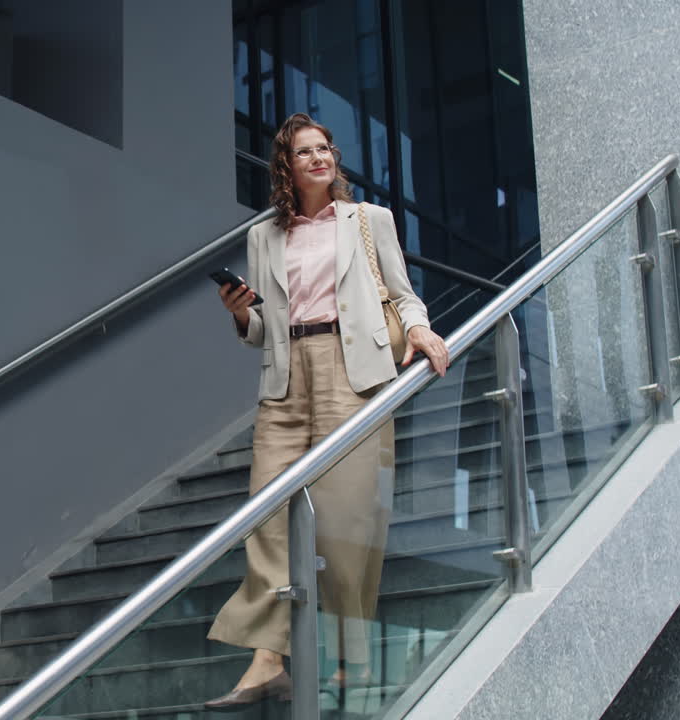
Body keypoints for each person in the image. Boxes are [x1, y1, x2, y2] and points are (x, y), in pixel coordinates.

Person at [203, 113, 449, 711]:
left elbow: (402, 290)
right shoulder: (265, 236)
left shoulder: (368, 221)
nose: (320, 158)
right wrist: (239, 312)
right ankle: (267, 659)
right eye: (306, 152)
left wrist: (420, 330)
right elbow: (265, 328)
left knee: (346, 522)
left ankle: (351, 661)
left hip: (352, 371)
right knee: (266, 513)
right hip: (287, 378)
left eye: (325, 149)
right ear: (286, 166)